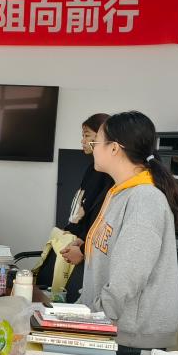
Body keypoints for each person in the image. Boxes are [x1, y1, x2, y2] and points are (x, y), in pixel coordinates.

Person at [79, 110, 178, 355]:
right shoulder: (120, 192)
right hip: (111, 326)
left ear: (114, 148)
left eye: (96, 142)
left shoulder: (145, 199)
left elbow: (129, 276)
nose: (92, 149)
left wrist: (95, 321)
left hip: (131, 338)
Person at [54, 113, 114, 298]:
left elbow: (100, 217)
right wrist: (79, 239)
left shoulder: (109, 175)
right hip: (83, 243)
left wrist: (82, 247)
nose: (83, 141)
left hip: (91, 252)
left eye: (87, 136)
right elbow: (86, 207)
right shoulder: (93, 168)